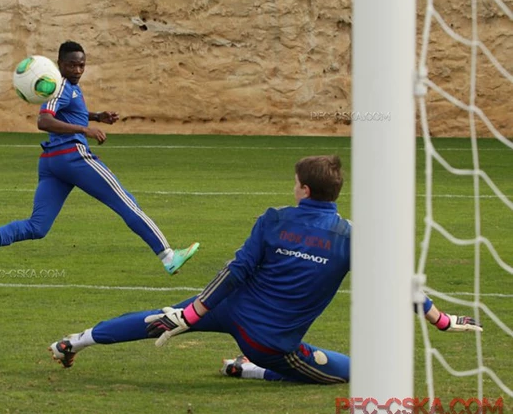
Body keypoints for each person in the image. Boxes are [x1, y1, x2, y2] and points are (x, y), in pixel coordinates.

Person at [48, 155, 482, 382]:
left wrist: (192, 313)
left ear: (304, 189)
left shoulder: (273, 218)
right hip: (267, 342)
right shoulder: (351, 238)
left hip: (227, 307)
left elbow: (236, 270)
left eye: (295, 182)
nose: (292, 187)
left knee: (158, 318)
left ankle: (74, 341)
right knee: (359, 373)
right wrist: (442, 320)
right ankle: (248, 367)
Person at [0, 41, 199, 276]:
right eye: (72, 65)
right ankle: (168, 256)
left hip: (52, 162)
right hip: (72, 156)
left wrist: (97, 116)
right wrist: (85, 130)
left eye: (81, 65)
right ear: (59, 64)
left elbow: (68, 110)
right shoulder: (58, 86)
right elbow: (44, 120)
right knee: (126, 203)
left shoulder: (69, 88)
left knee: (37, 227)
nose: (78, 70)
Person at [219, 299, 482, 381]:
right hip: (273, 333)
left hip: (246, 313)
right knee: (354, 371)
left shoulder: (276, 223)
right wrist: (441, 320)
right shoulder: (344, 237)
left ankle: (248, 367)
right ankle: (250, 369)